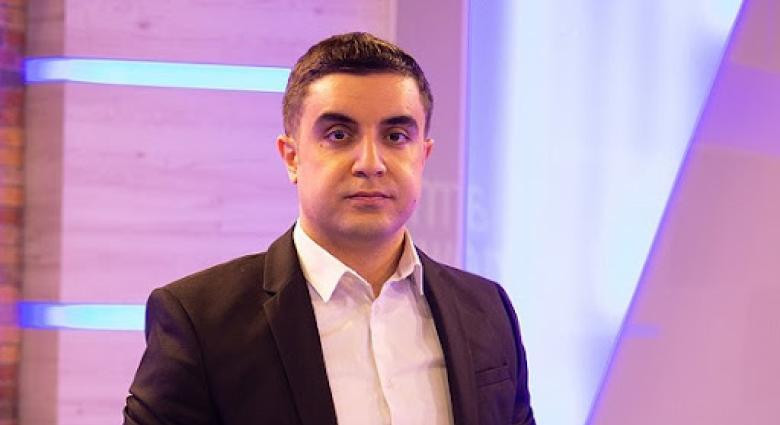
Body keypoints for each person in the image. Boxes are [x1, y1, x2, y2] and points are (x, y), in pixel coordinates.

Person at [123, 32, 535, 425]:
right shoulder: (201, 320)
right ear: (291, 157)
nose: (370, 163)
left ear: (423, 156)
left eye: (396, 136)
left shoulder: (487, 311)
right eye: (339, 135)